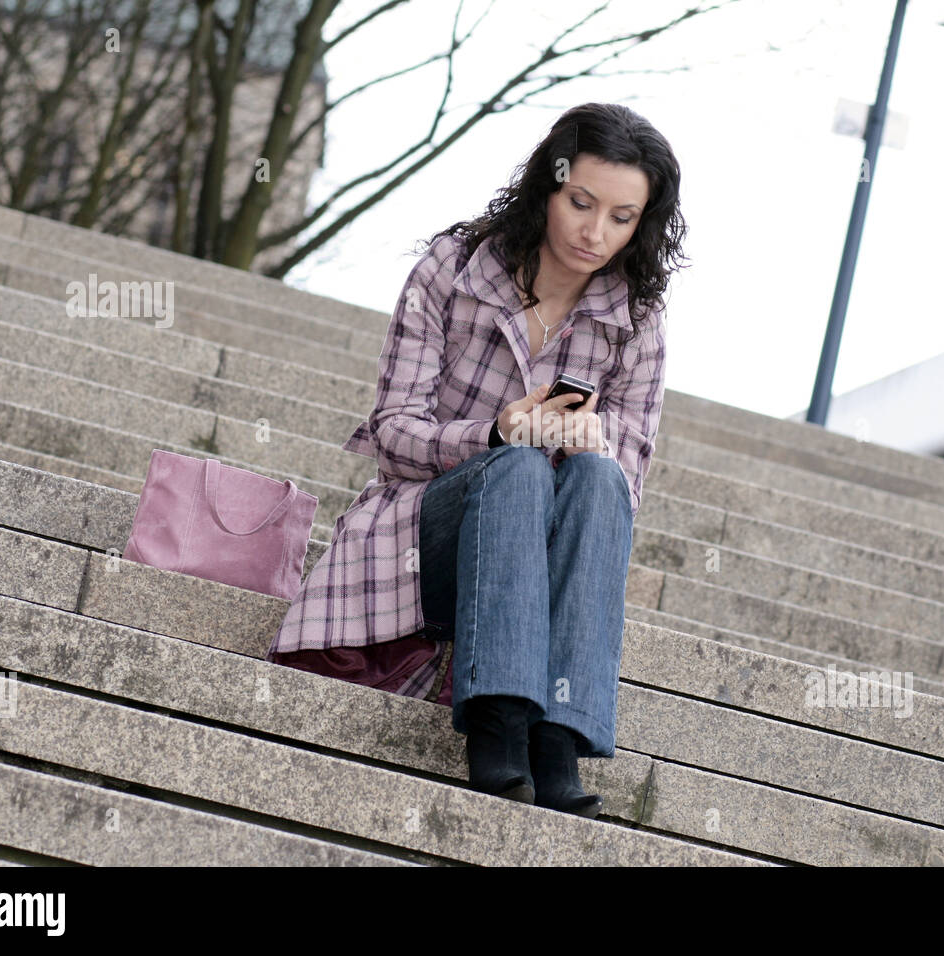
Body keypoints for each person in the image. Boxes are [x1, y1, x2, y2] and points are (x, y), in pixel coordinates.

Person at [266, 102, 686, 819]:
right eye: (580, 203)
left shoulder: (636, 322)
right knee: (518, 462)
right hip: (421, 536)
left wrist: (593, 443)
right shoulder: (454, 270)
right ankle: (496, 723)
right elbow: (393, 433)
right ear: (545, 187)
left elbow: (628, 490)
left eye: (620, 217)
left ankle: (556, 736)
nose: (594, 232)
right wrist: (493, 432)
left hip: (545, 556)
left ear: (642, 223)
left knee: (594, 474)